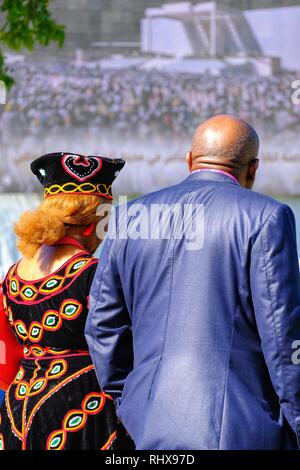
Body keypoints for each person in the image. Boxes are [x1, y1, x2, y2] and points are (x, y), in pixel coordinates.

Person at [86, 115, 300, 450]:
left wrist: (131, 401)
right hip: (242, 431)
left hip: (147, 426)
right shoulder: (268, 217)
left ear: (190, 160)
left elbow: (101, 326)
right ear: (254, 168)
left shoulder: (130, 217)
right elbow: (284, 337)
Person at [0, 152, 128, 450]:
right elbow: (121, 352)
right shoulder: (94, 274)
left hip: (19, 409)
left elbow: (5, 363)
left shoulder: (12, 276)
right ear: (91, 224)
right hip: (83, 410)